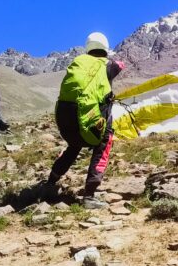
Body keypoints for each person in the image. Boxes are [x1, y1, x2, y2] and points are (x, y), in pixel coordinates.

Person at [46, 32, 124, 205]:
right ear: (105, 48)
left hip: (66, 121)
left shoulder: (78, 62)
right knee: (103, 143)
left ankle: (50, 181)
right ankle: (89, 195)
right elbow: (121, 64)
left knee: (73, 147)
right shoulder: (109, 65)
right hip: (89, 123)